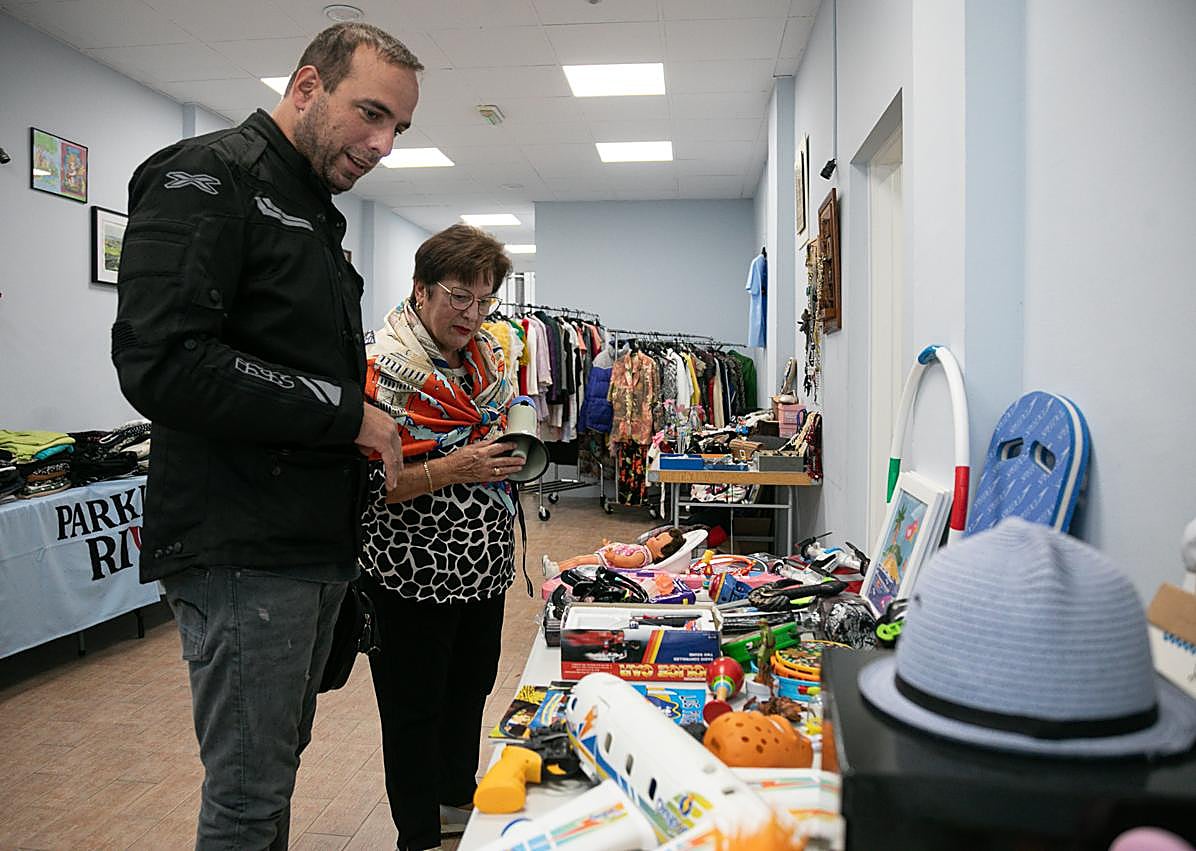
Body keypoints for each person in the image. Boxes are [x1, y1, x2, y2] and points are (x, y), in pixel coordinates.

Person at [110, 23, 420, 850]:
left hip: (310, 542)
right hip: (241, 544)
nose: (383, 144)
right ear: (308, 86)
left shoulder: (315, 211)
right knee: (248, 798)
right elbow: (164, 362)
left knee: (273, 773)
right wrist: (345, 412)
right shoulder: (208, 176)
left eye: (399, 129)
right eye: (371, 114)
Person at [358, 223, 526, 851]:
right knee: (413, 710)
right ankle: (418, 835)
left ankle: (456, 808)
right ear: (422, 289)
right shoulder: (381, 370)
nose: (473, 314)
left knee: (470, 692)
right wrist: (462, 466)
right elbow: (376, 486)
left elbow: (489, 440)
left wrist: (509, 459)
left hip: (482, 566)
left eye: (485, 301)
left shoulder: (486, 360)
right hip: (409, 575)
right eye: (460, 297)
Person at [542, 527, 687, 576]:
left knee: (579, 561)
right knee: (578, 559)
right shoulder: (644, 551)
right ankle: (556, 566)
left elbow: (627, 562)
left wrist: (613, 556)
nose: (653, 538)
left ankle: (556, 571)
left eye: (657, 540)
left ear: (661, 553)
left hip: (606, 562)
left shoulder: (643, 556)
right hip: (605, 557)